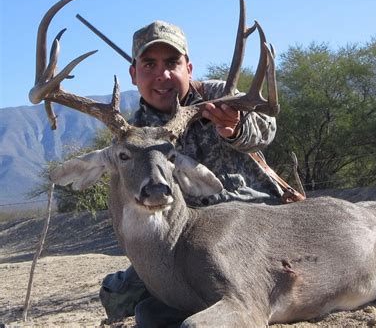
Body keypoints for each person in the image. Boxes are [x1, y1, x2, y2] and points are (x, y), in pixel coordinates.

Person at [99, 20, 283, 323]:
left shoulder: (219, 95)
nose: (163, 75)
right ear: (133, 74)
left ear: (189, 67)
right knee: (120, 297)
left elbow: (267, 128)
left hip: (252, 218)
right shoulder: (132, 134)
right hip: (189, 237)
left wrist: (235, 127)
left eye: (172, 63)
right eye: (149, 64)